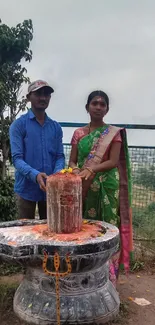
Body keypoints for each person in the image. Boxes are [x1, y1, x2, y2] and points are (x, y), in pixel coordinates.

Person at [69, 90, 133, 287]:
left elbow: (113, 161)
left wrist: (92, 168)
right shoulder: (78, 134)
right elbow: (72, 160)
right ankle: (84, 273)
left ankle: (109, 278)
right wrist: (77, 169)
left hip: (107, 187)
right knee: (84, 227)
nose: (98, 107)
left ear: (107, 109)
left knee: (107, 228)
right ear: (87, 107)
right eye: (94, 103)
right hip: (84, 185)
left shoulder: (113, 133)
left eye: (102, 104)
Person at [9, 80, 65, 220]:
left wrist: (56, 175)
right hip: (25, 189)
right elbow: (17, 158)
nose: (43, 98)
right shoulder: (18, 125)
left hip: (50, 190)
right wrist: (35, 175)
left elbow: (59, 156)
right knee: (23, 233)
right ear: (29, 97)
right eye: (38, 94)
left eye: (46, 94)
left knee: (51, 232)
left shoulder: (55, 127)